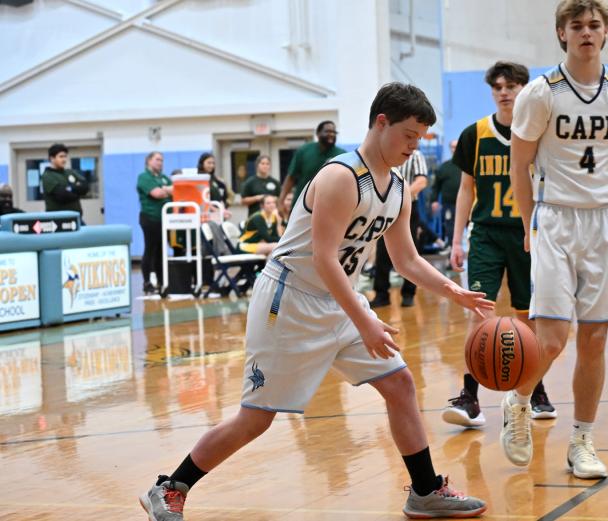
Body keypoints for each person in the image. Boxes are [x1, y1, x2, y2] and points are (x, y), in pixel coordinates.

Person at [139, 83, 491, 520]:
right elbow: (324, 259)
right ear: (381, 123)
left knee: (399, 384)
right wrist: (363, 321)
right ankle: (170, 488)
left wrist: (452, 290)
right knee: (257, 417)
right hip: (290, 299)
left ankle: (424, 490)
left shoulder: (398, 187)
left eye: (420, 138)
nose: (413, 146)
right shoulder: (341, 176)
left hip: (338, 299)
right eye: (408, 135)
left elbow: (406, 259)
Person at [506, 0, 608, 477]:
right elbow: (520, 165)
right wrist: (529, 224)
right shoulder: (539, 93)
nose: (587, 32)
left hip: (605, 224)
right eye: (577, 26)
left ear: (606, 33)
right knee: (551, 339)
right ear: (561, 33)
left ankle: (582, 442)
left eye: (595, 25)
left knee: (595, 341)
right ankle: (519, 400)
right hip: (555, 220)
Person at [441, 61, 555, 429]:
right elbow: (465, 190)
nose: (505, 92)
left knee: (528, 318)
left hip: (526, 235)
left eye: (513, 85)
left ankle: (534, 389)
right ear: (492, 91)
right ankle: (470, 396)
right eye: (499, 86)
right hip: (487, 234)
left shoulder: (537, 134)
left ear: (524, 89)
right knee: (480, 311)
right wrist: (457, 239)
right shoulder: (475, 134)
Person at [369, 149, 428, 308]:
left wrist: (400, 196)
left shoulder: (416, 156)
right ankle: (382, 294)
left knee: (409, 252)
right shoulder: (385, 156)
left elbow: (421, 181)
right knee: (382, 252)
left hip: (408, 206)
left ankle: (408, 293)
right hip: (385, 207)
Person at [278, 120, 345, 211]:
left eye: (334, 132)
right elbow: (291, 177)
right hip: (301, 204)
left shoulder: (341, 155)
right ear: (318, 134)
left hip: (329, 205)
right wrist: (281, 201)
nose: (331, 134)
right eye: (327, 131)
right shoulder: (304, 150)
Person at [136, 152, 173, 294]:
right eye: (157, 160)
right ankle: (147, 282)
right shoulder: (144, 177)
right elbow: (157, 194)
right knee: (150, 250)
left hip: (164, 219)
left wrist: (166, 190)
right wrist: (167, 190)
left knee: (161, 251)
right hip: (150, 218)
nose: (160, 163)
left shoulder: (163, 177)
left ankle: (161, 281)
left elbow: (174, 190)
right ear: (149, 161)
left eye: (162, 160)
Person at [41, 143, 89, 218]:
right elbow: (62, 196)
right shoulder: (47, 176)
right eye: (61, 157)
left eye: (65, 156)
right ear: (52, 158)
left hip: (76, 218)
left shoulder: (70, 172)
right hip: (58, 221)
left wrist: (70, 189)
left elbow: (85, 187)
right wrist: (77, 192)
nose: (64, 159)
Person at [430, 140, 461, 249]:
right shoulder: (444, 167)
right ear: (450, 149)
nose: (455, 149)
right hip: (449, 205)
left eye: (457, 146)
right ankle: (451, 254)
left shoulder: (467, 165)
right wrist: (434, 201)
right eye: (452, 147)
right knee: (450, 229)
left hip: (467, 204)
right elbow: (436, 186)